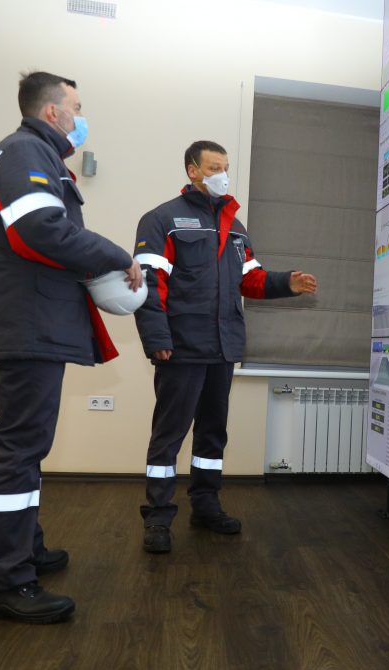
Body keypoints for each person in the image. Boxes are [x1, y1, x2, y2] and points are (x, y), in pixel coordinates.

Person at [0, 71, 142, 623]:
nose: (80, 117)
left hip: (36, 319)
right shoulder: (25, 153)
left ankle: (25, 550)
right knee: (20, 449)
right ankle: (4, 582)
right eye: (77, 106)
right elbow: (41, 231)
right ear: (52, 112)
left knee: (28, 446)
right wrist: (117, 256)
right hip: (29, 321)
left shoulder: (35, 154)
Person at [133, 140, 317, 552]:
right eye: (214, 167)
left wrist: (286, 282)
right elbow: (148, 282)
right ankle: (158, 518)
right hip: (181, 347)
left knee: (213, 434)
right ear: (192, 170)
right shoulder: (162, 220)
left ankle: (206, 505)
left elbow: (249, 278)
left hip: (223, 346)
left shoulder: (235, 226)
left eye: (225, 167)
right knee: (169, 435)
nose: (222, 175)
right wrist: (157, 338)